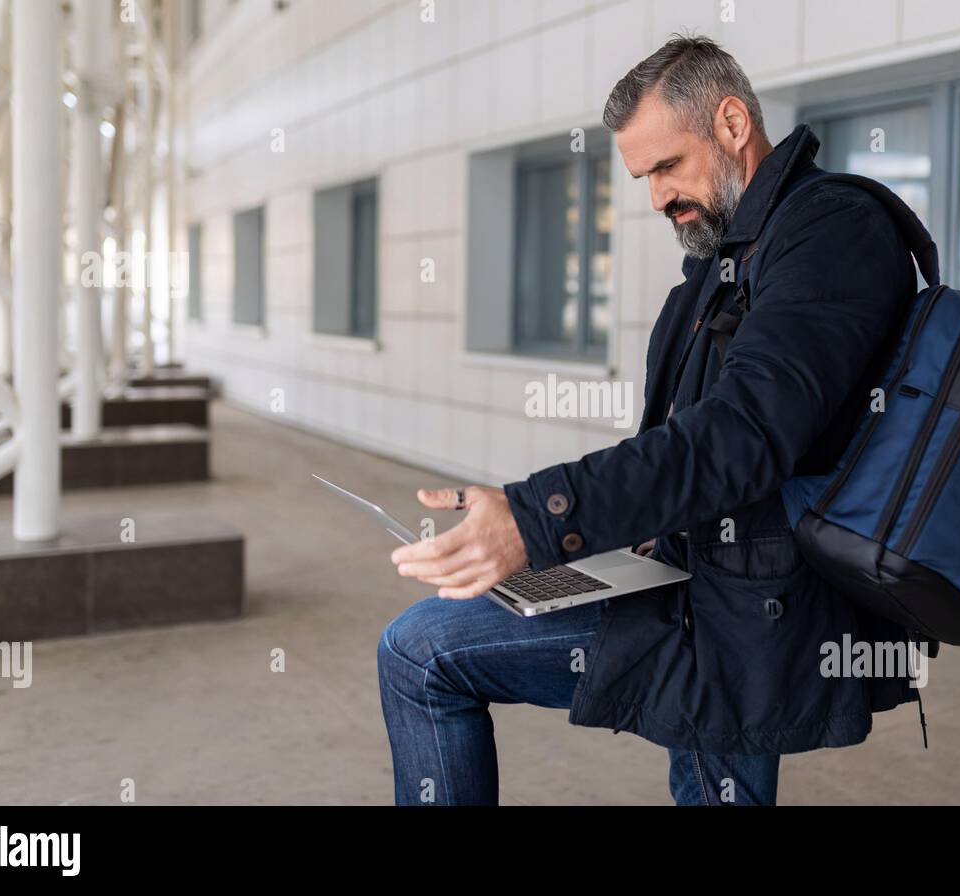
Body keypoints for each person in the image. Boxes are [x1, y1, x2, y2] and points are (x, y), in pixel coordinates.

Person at [378, 35, 920, 806]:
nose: (658, 197)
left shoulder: (830, 232)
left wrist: (539, 518)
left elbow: (744, 435)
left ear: (732, 123)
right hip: (698, 578)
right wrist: (615, 532)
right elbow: (686, 434)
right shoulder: (729, 254)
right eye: (645, 178)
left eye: (668, 166)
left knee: (422, 652)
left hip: (750, 612)